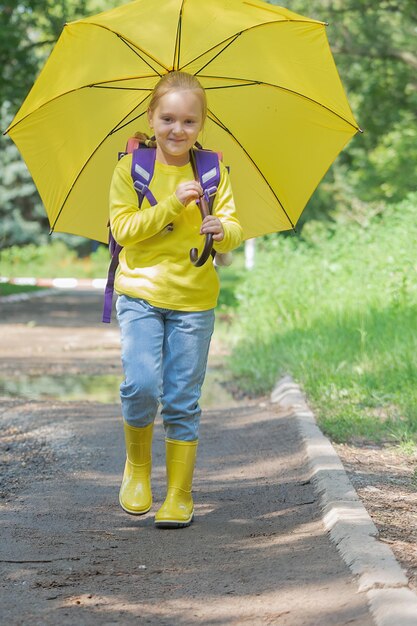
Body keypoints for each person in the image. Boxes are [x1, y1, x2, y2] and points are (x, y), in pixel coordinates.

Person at [109, 71, 243, 529]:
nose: (177, 129)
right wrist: (169, 205)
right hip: (141, 294)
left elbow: (232, 230)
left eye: (189, 121)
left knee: (183, 399)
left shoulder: (213, 171)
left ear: (201, 124)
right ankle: (138, 469)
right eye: (167, 118)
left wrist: (222, 230)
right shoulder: (131, 169)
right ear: (152, 117)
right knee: (142, 386)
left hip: (194, 302)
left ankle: (180, 495)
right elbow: (123, 229)